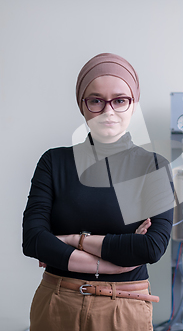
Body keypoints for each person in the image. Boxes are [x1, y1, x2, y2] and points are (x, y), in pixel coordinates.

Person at [22, 53, 174, 331]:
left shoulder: (153, 167)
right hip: (58, 302)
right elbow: (33, 240)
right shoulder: (54, 162)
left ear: (133, 104)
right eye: (96, 100)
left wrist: (70, 239)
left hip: (125, 306)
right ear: (82, 105)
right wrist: (113, 265)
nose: (108, 111)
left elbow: (151, 247)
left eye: (119, 100)